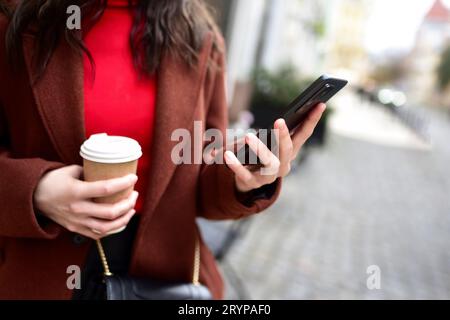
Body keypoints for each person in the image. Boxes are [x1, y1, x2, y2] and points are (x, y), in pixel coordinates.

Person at [0, 0, 326, 299]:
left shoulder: (199, 37)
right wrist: (34, 191)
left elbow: (198, 178)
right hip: (33, 273)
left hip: (161, 281)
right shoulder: (16, 18)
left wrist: (244, 180)